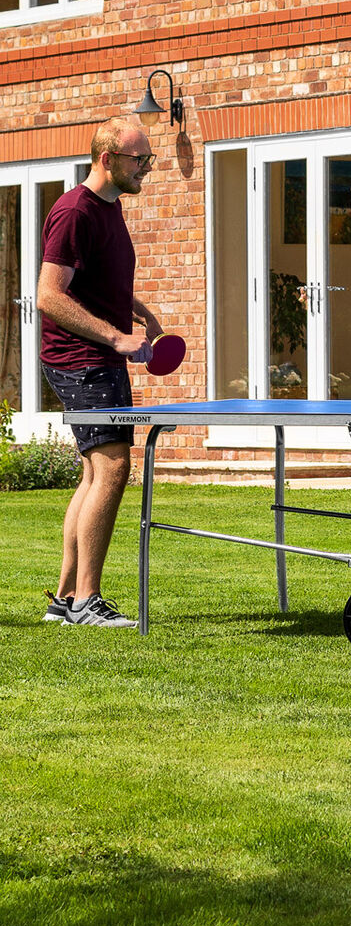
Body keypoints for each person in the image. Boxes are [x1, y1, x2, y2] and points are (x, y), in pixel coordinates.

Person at [36, 118, 162, 628]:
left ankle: (66, 600)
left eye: (149, 160)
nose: (146, 170)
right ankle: (88, 600)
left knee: (94, 471)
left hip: (97, 358)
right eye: (140, 160)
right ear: (107, 159)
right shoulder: (74, 212)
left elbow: (96, 279)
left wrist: (137, 311)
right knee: (112, 468)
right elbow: (49, 294)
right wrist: (115, 338)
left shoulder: (109, 209)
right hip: (81, 360)